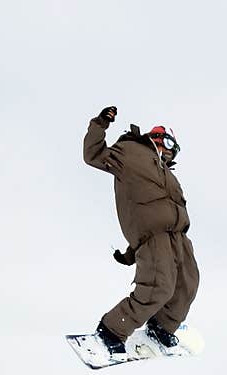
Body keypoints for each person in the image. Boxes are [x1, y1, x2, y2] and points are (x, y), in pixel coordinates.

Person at [82, 105, 199, 356]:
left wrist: (129, 252)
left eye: (175, 147)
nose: (171, 149)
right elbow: (93, 154)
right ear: (154, 138)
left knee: (187, 284)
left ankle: (162, 327)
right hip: (155, 236)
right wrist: (100, 124)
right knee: (158, 287)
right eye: (167, 141)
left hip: (179, 236)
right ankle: (112, 330)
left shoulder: (167, 172)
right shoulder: (130, 152)